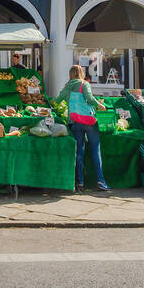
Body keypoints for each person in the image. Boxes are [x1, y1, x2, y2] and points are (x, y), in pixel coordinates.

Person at [56, 64, 109, 192]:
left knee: (79, 152)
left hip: (74, 122)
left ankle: (80, 183)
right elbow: (90, 99)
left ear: (70, 74)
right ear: (81, 73)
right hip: (88, 121)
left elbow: (57, 100)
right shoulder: (84, 84)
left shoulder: (67, 87)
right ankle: (101, 181)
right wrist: (100, 105)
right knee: (95, 150)